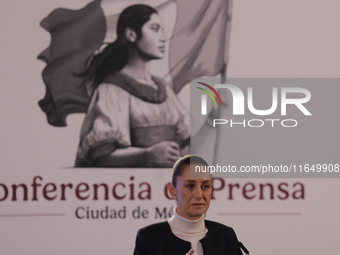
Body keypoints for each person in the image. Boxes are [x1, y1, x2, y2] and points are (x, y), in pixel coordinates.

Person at [74, 4, 190, 167]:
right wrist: (145, 155)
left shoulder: (164, 90)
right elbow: (101, 157)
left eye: (162, 30)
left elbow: (185, 141)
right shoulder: (111, 90)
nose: (163, 38)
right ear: (131, 34)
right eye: (155, 29)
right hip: (132, 185)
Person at [133, 155, 242, 255]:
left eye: (205, 186)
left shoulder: (226, 236)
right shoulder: (149, 238)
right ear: (172, 190)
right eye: (190, 186)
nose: (199, 195)